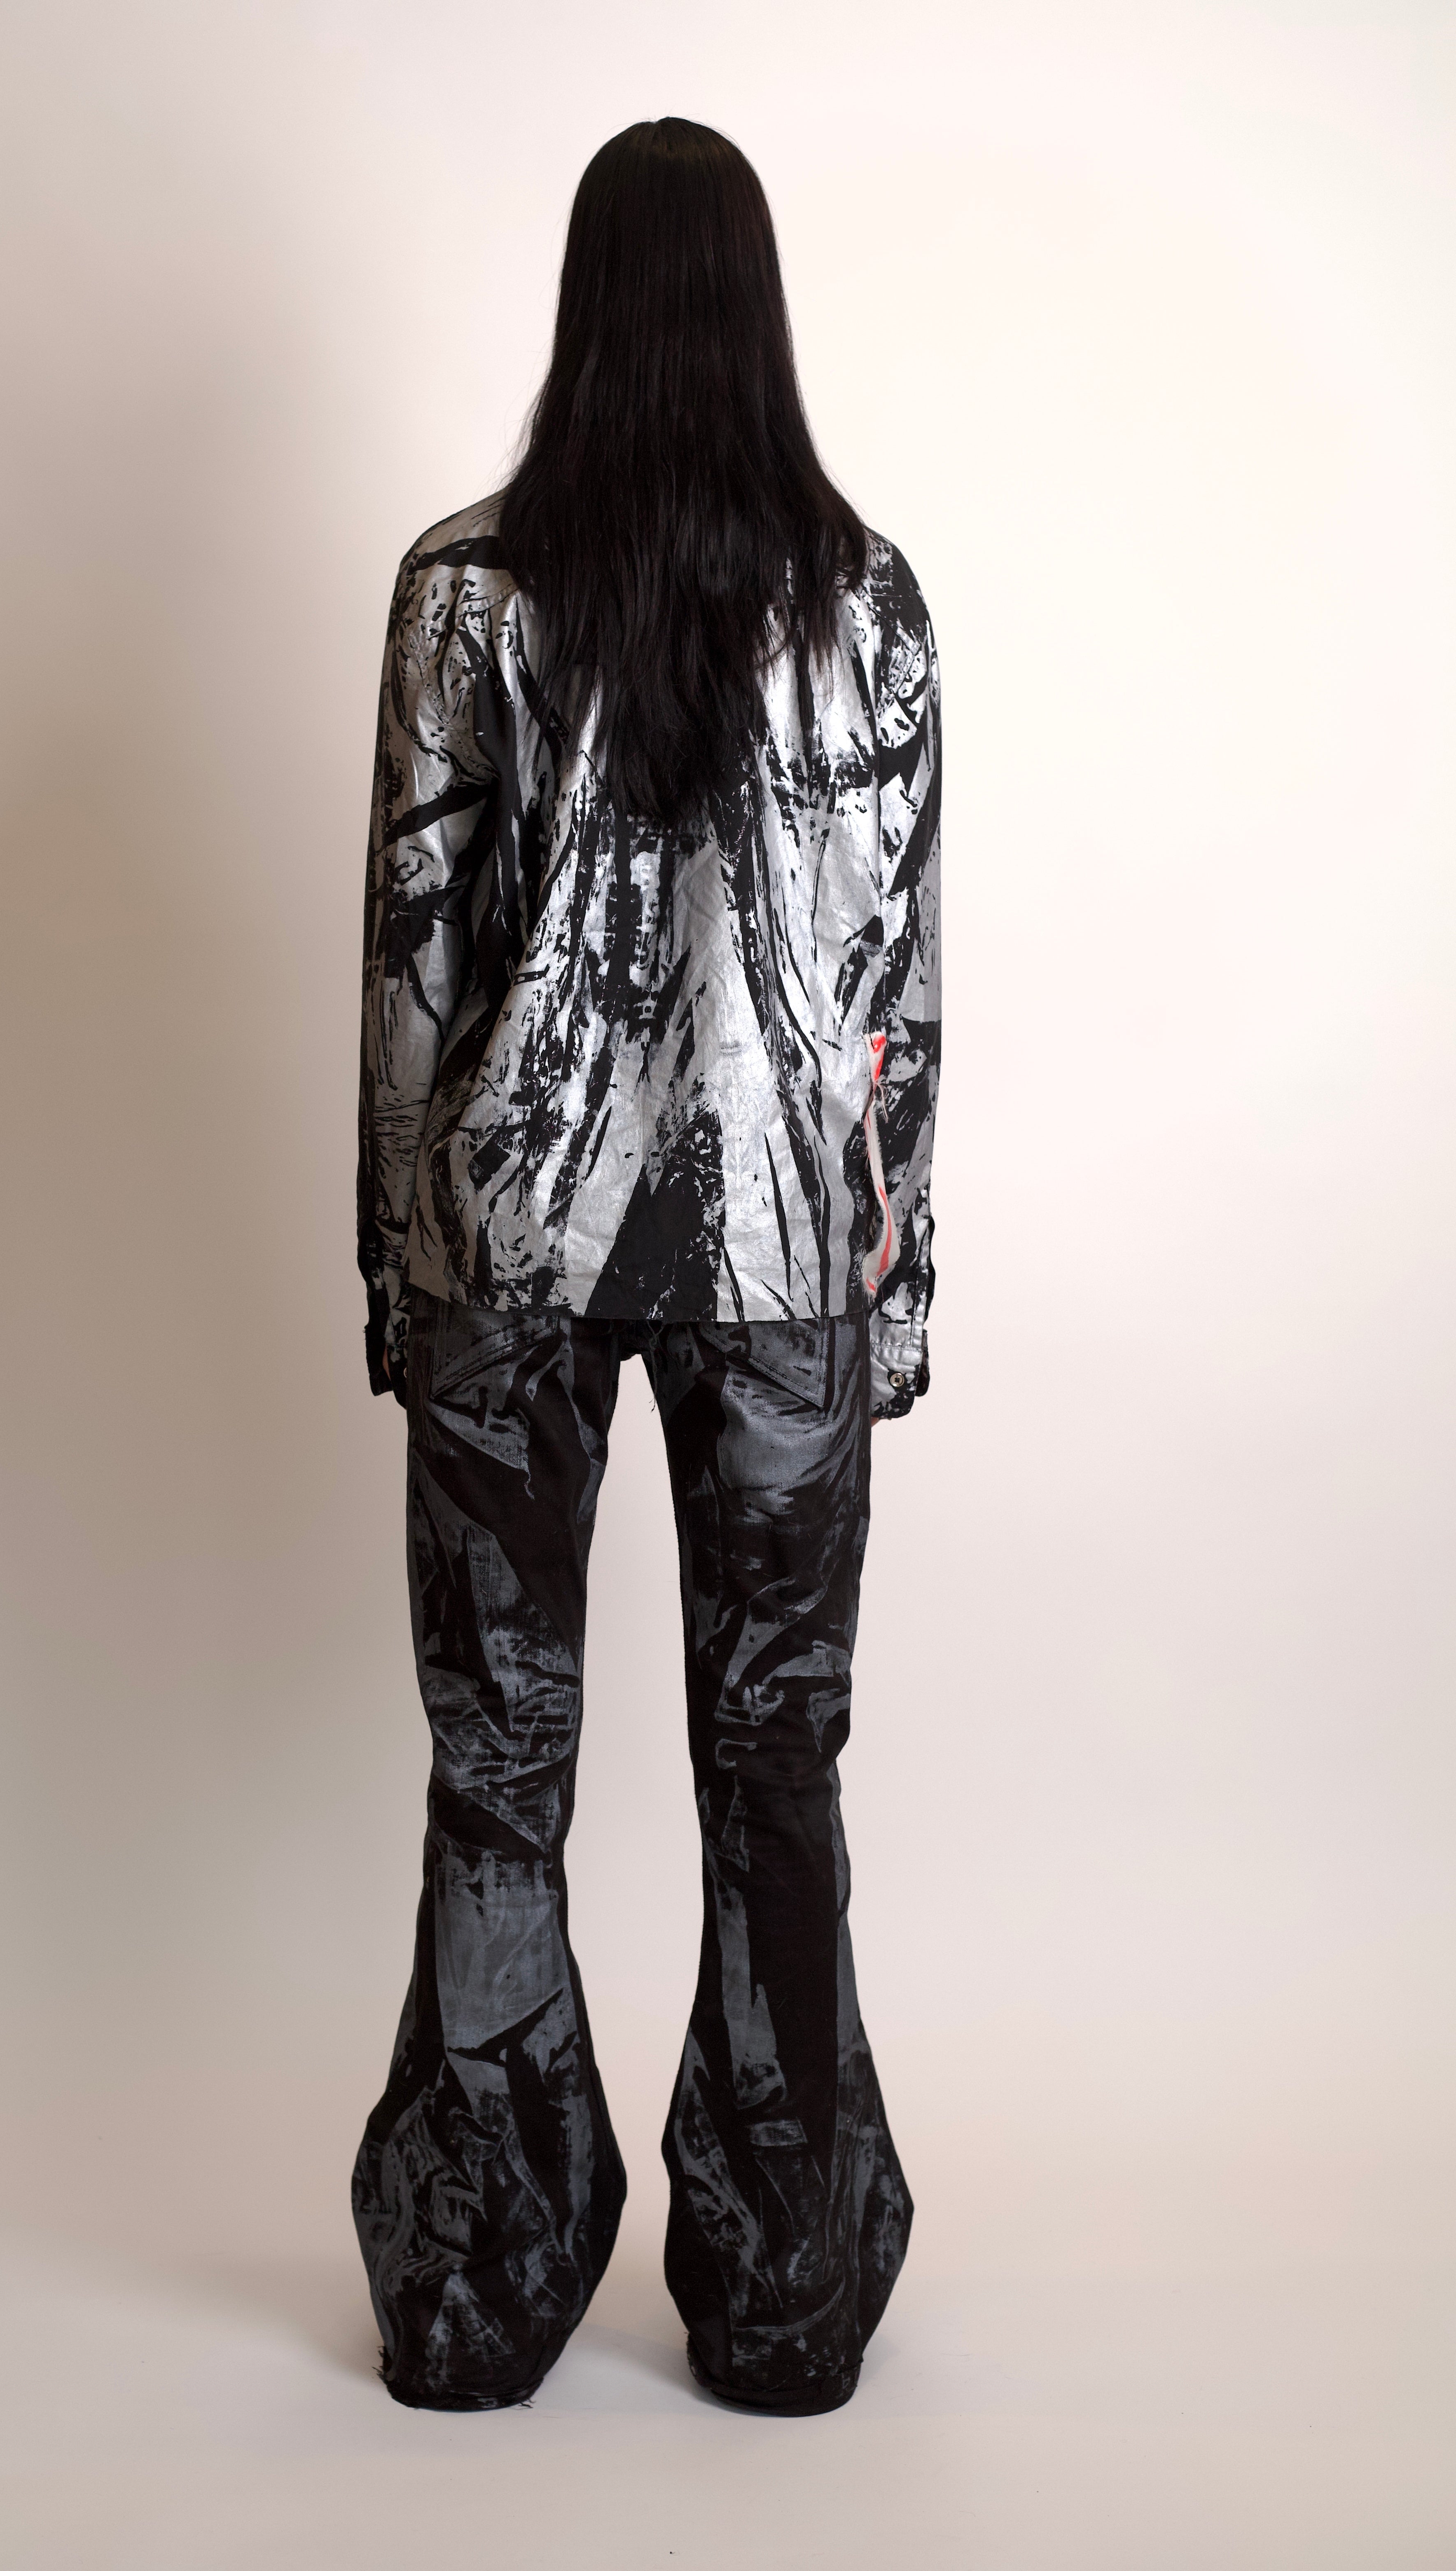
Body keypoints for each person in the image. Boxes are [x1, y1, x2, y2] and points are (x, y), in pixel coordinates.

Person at [351, 117, 940, 2416]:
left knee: (501, 1766)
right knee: (777, 1759)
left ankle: (474, 2290)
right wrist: (899, 1294)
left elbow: (411, 964)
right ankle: (789, 2297)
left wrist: (402, 1269)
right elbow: (891, 995)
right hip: (785, 1256)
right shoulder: (867, 603)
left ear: (588, 307)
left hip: (511, 1243)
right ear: (755, 309)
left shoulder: (467, 593)